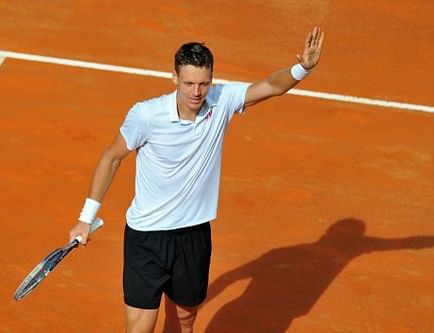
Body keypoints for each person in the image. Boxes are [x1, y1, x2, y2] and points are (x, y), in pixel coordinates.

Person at [69, 27, 324, 333]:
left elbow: (271, 86)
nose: (196, 92)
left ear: (211, 80)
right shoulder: (146, 115)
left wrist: (303, 68)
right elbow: (111, 157)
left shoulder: (222, 100)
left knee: (185, 322)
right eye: (189, 83)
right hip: (146, 238)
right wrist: (86, 218)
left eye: (204, 83)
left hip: (193, 236)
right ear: (174, 78)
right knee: (139, 328)